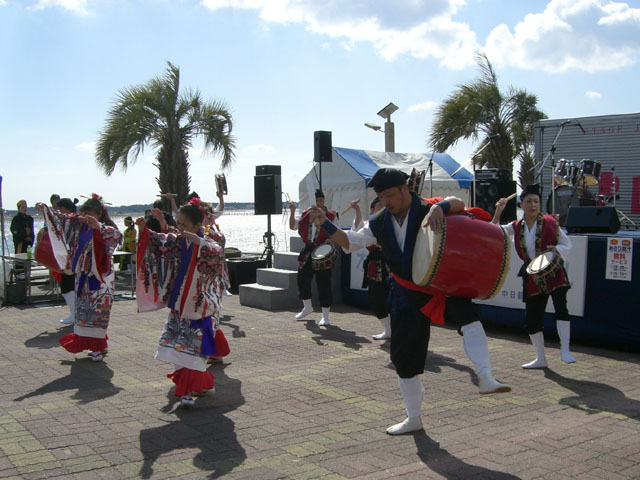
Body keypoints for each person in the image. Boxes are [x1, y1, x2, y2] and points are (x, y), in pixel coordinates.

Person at [313, 168, 510, 435]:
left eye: (390, 195)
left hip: (441, 282)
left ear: (406, 189)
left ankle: (485, 376)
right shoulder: (380, 220)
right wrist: (325, 223)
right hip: (407, 291)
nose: (387, 202)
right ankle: (413, 417)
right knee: (403, 358)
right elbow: (351, 241)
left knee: (468, 314)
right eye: (382, 197)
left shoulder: (428, 207)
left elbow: (459, 203)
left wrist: (440, 207)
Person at [135, 203, 226, 406]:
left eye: (184, 224)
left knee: (193, 351)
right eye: (178, 223)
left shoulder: (211, 240)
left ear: (196, 225)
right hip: (178, 303)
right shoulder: (178, 241)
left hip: (199, 306)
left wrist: (201, 243)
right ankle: (196, 385)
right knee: (177, 347)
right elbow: (161, 242)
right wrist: (146, 231)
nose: (180, 228)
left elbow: (218, 253)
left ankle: (187, 391)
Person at [493, 184, 576, 368]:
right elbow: (494, 231)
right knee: (532, 320)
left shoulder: (550, 222)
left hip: (554, 271)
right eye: (529, 201)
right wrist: (498, 212)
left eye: (536, 201)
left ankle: (565, 350)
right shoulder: (515, 226)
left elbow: (567, 244)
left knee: (561, 308)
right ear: (521, 204)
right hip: (532, 275)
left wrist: (556, 250)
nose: (533, 205)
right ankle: (541, 358)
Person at [37, 195, 122, 361]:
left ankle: (98, 347)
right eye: (84, 213)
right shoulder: (78, 225)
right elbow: (61, 218)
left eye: (90, 213)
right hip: (82, 275)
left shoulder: (108, 230)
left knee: (98, 313)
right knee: (83, 312)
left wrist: (97, 228)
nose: (86, 216)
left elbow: (112, 242)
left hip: (100, 277)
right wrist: (46, 210)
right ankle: (94, 345)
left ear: (99, 214)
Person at [288, 189, 338, 326]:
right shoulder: (305, 215)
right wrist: (292, 211)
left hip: (323, 250)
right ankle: (307, 306)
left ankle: (325, 315)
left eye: (321, 200)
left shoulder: (331, 215)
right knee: (302, 279)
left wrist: (331, 240)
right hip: (308, 249)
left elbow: (337, 233)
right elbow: (292, 226)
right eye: (317, 201)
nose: (319, 203)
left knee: (324, 283)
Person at [351, 197, 391, 340]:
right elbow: (355, 234)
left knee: (395, 298)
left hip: (393, 264)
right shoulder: (370, 225)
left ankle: (398, 329)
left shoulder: (392, 222)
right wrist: (357, 211)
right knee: (376, 298)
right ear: (373, 210)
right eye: (378, 206)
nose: (382, 208)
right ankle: (388, 329)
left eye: (383, 205)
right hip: (375, 265)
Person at [55, 197, 79, 325]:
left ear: (65, 208)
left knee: (67, 285)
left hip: (72, 257)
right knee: (68, 285)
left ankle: (74, 313)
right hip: (70, 256)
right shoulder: (72, 218)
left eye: (60, 208)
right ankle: (74, 312)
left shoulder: (72, 219)